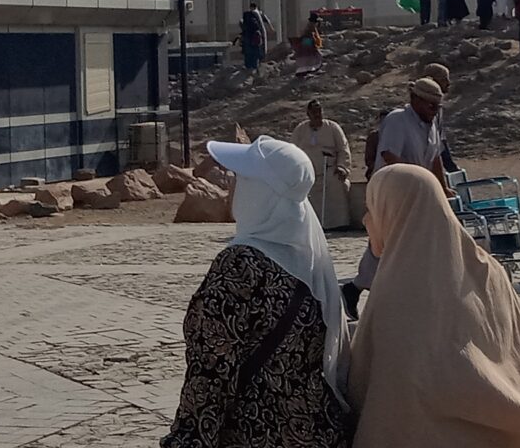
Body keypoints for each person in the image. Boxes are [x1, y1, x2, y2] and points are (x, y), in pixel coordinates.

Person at [347, 164, 520, 448]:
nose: (367, 218)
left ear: (394, 210)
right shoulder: (487, 268)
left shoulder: (400, 289)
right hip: (519, 410)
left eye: (374, 207)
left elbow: (384, 389)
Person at [163, 137, 351, 448]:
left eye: (241, 178)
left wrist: (188, 439)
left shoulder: (239, 266)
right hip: (316, 432)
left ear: (261, 193)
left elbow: (212, 373)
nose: (233, 187)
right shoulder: (310, 259)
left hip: (257, 434)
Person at [347, 77, 446, 317]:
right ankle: (356, 289)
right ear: (415, 100)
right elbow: (390, 155)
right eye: (430, 106)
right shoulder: (397, 120)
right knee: (385, 245)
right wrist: (421, 179)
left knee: (403, 246)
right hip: (392, 192)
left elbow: (435, 158)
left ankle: (366, 290)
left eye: (437, 107)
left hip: (418, 194)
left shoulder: (431, 124)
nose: (434, 111)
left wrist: (441, 187)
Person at [294, 101, 350, 226]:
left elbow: (343, 149)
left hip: (330, 169)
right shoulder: (300, 130)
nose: (317, 115)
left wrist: (342, 166)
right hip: (308, 171)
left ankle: (338, 224)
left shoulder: (333, 127)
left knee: (337, 185)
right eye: (313, 112)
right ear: (308, 114)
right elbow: (292, 151)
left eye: (319, 111)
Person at [239, 1, 274, 72]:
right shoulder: (259, 13)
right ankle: (258, 64)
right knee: (259, 51)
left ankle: (250, 66)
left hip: (249, 38)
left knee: (250, 53)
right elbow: (267, 21)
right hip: (258, 36)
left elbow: (241, 22)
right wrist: (271, 28)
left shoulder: (248, 14)